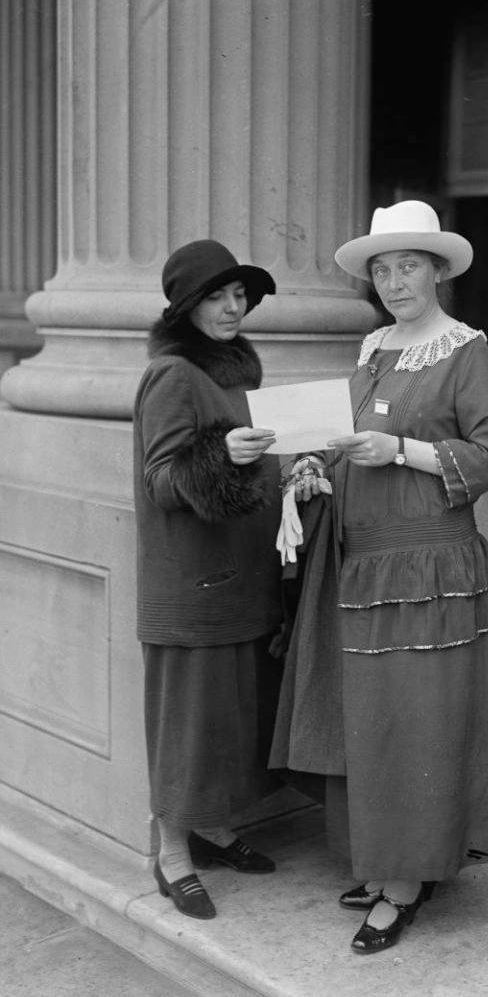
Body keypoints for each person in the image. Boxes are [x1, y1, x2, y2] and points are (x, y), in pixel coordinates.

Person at [285, 200, 488, 953]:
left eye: (408, 266)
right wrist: (317, 462)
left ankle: (408, 881)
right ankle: (388, 863)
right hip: (365, 560)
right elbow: (353, 436)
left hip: (430, 566)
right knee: (376, 721)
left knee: (420, 720)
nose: (393, 282)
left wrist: (401, 452)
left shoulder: (466, 352)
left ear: (438, 270)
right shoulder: (374, 348)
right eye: (382, 270)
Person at [133, 239, 285, 920]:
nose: (232, 308)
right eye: (217, 296)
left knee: (228, 718)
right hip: (192, 587)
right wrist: (221, 453)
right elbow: (161, 480)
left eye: (239, 295)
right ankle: (171, 854)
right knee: (188, 726)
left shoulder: (230, 375)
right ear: (186, 308)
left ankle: (215, 831)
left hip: (238, 578)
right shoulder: (172, 374)